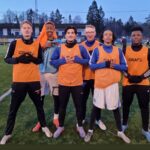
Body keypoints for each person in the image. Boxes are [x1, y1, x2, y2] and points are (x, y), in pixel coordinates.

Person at [0, 20, 52, 145]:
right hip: (18, 82)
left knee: (39, 106)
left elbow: (40, 60)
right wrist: (18, 59)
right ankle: (7, 134)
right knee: (13, 109)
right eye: (24, 28)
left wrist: (33, 59)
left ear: (32, 30)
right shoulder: (14, 43)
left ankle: (44, 126)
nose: (27, 30)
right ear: (21, 30)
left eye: (29, 28)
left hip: (34, 81)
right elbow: (6, 59)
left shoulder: (37, 44)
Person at [84, 29, 130, 143]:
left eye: (110, 35)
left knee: (115, 108)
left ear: (112, 37)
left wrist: (114, 66)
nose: (108, 36)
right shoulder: (97, 50)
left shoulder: (118, 50)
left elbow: (125, 67)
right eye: (106, 34)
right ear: (102, 37)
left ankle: (120, 132)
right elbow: (92, 66)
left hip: (112, 84)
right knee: (96, 107)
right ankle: (90, 130)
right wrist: (104, 64)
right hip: (100, 84)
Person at [51, 26, 90, 138]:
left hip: (77, 82)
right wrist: (63, 60)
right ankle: (61, 126)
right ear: (65, 35)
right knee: (62, 106)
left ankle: (79, 126)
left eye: (73, 32)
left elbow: (88, 61)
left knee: (79, 106)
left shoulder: (81, 48)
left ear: (76, 35)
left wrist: (78, 60)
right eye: (68, 33)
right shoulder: (59, 48)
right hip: (63, 82)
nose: (70, 34)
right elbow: (53, 62)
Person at [122, 26, 150, 142]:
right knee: (126, 105)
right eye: (133, 35)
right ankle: (124, 124)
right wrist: (129, 76)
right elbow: (121, 66)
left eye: (138, 35)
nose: (136, 37)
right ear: (131, 37)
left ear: (142, 36)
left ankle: (145, 129)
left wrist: (141, 77)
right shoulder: (125, 50)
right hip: (128, 83)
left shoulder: (148, 50)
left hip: (143, 83)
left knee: (144, 106)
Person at [32, 21, 60, 132]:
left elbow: (60, 56)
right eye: (47, 28)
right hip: (41, 73)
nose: (49, 30)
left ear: (54, 29)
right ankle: (40, 121)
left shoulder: (58, 42)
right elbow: (34, 56)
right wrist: (43, 47)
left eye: (51, 28)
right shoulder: (38, 41)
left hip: (54, 73)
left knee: (56, 96)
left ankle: (56, 118)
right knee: (40, 98)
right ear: (44, 29)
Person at [81, 25, 106, 130]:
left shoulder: (100, 46)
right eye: (87, 32)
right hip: (84, 78)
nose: (89, 34)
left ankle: (97, 119)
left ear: (95, 33)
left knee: (98, 100)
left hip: (97, 77)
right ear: (85, 33)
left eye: (91, 32)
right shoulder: (80, 46)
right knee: (82, 100)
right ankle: (81, 118)